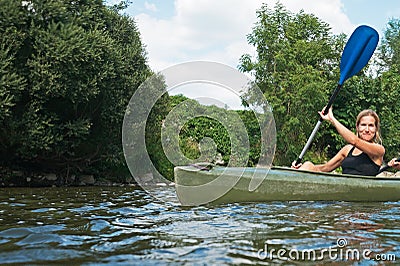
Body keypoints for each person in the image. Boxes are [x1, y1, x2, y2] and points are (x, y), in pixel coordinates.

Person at [292, 108, 385, 176]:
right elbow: (325, 168)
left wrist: (332, 119)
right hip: (344, 193)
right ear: (357, 127)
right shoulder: (347, 150)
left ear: (376, 129)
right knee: (308, 164)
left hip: (361, 192)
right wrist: (302, 169)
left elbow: (354, 141)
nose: (367, 129)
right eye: (363, 125)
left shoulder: (379, 150)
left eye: (371, 126)